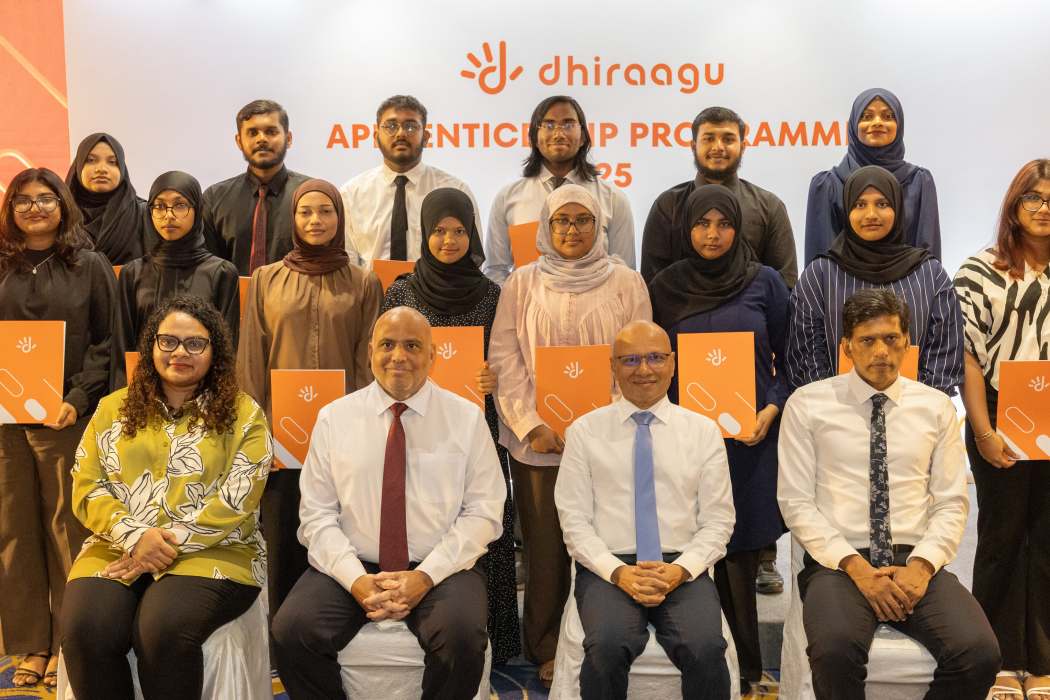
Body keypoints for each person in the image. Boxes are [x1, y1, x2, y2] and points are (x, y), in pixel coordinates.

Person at [271, 307, 506, 699]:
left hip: (440, 567)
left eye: (412, 345)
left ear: (433, 355)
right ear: (370, 353)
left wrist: (426, 576)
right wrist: (355, 580)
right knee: (291, 631)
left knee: (462, 639)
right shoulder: (334, 418)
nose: (398, 356)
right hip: (355, 563)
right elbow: (316, 515)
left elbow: (484, 512)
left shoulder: (466, 419)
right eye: (387, 345)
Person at [778, 288, 1000, 699]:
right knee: (835, 651)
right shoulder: (808, 405)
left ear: (907, 342)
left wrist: (923, 566)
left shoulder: (935, 407)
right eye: (867, 340)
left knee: (979, 653)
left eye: (891, 338)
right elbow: (796, 503)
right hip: (839, 563)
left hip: (915, 559)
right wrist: (857, 569)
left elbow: (951, 502)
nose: (881, 351)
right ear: (847, 346)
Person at [60, 295, 271, 700]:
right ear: (151, 346)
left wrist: (160, 545)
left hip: (216, 551)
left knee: (163, 631)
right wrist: (136, 537)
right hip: (116, 547)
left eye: (195, 343)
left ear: (215, 351)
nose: (180, 353)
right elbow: (86, 485)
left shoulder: (245, 415)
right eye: (168, 341)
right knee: (86, 629)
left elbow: (238, 498)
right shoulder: (112, 409)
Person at [489, 183, 651, 685]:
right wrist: (529, 424)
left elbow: (638, 357)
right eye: (562, 220)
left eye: (584, 220)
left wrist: (604, 424)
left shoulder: (626, 282)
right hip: (538, 444)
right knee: (545, 550)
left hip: (609, 439)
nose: (572, 229)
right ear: (546, 226)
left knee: (603, 542)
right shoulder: (521, 283)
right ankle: (545, 645)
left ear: (599, 227)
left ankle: (599, 642)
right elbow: (505, 359)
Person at [649, 184, 789, 689]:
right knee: (691, 545)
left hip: (748, 440)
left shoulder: (765, 281)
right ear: (686, 228)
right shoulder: (663, 287)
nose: (713, 234)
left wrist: (772, 407)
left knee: (741, 553)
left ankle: (748, 670)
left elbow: (789, 357)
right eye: (702, 224)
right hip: (683, 443)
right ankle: (700, 661)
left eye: (724, 224)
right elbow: (652, 363)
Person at [555, 320, 735, 699]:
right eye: (630, 360)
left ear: (672, 363)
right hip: (609, 567)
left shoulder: (703, 432)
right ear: (613, 367)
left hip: (681, 564)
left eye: (655, 357)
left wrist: (680, 570)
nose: (644, 369)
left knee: (705, 648)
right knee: (606, 647)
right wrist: (618, 572)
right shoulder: (584, 432)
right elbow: (574, 521)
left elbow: (719, 521)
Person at [380, 187, 520, 663]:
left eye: (459, 231)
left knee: (483, 516)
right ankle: (418, 612)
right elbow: (385, 357)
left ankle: (496, 638)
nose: (448, 240)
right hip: (414, 424)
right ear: (425, 233)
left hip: (475, 424)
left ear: (472, 234)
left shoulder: (492, 293)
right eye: (439, 231)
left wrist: (493, 378)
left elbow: (505, 356)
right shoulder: (401, 291)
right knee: (422, 514)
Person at [238, 177, 382, 622]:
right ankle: (284, 635)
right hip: (281, 439)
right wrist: (256, 435)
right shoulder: (266, 280)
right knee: (284, 538)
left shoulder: (363, 282)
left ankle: (336, 631)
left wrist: (366, 432)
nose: (315, 220)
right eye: (305, 212)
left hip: (345, 439)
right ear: (293, 219)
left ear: (340, 217)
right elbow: (251, 359)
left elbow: (368, 364)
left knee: (343, 539)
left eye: (325, 211)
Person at [0, 167, 116, 689]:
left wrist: (77, 398)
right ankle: (30, 644)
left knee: (68, 529)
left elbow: (105, 340)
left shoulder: (88, 265)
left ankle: (71, 641)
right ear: (10, 209)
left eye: (45, 198)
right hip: (4, 423)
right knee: (13, 534)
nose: (34, 208)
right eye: (22, 200)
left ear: (63, 204)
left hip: (66, 417)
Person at [953, 159, 1050, 698]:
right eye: (1033, 198)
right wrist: (984, 430)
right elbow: (968, 357)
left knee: (1048, 537)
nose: (1043, 208)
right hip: (998, 410)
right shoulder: (979, 270)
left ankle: (1043, 661)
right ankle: (999, 657)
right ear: (1014, 204)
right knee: (1002, 535)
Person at [787, 165, 962, 395]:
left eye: (882, 204)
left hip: (916, 412)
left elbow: (944, 356)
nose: (871, 214)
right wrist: (833, 407)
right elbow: (805, 356)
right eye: (860, 205)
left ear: (898, 208)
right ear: (846, 211)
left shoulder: (931, 274)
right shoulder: (819, 275)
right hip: (834, 411)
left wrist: (917, 405)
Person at [483, 95, 636, 283]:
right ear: (534, 137)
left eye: (568, 124)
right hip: (526, 301)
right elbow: (494, 271)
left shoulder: (613, 199)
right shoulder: (508, 198)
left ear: (583, 137)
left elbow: (624, 274)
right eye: (548, 125)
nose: (558, 134)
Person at [640, 105, 797, 288]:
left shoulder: (769, 206)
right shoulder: (667, 206)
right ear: (693, 146)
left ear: (743, 147)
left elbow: (785, 284)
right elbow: (651, 285)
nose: (718, 147)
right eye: (708, 139)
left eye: (728, 139)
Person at [114, 171, 240, 388]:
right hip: (143, 392)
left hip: (203, 392)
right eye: (159, 206)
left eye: (180, 205)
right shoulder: (132, 273)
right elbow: (122, 347)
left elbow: (227, 350)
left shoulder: (221, 273)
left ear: (197, 210)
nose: (169, 215)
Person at [339, 95, 482, 266]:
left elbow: (472, 259)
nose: (400, 133)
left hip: (439, 284)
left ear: (426, 137)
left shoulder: (455, 191)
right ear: (376, 137)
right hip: (370, 284)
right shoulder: (351, 193)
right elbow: (347, 262)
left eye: (410, 126)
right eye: (391, 126)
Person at [805, 88, 940, 264]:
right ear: (854, 125)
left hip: (910, 280)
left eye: (887, 116)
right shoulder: (827, 185)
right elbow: (820, 265)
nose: (877, 122)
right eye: (867, 116)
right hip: (841, 281)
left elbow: (928, 259)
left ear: (899, 125)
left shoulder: (919, 181)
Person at [202, 99, 310, 274]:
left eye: (271, 132)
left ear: (288, 138)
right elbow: (208, 270)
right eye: (252, 133)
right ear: (239, 141)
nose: (262, 139)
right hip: (232, 293)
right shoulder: (214, 199)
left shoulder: (310, 195)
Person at [65, 132, 152, 264]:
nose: (101, 169)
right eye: (91, 160)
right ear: (78, 166)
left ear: (122, 168)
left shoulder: (143, 213)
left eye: (112, 162)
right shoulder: (61, 214)